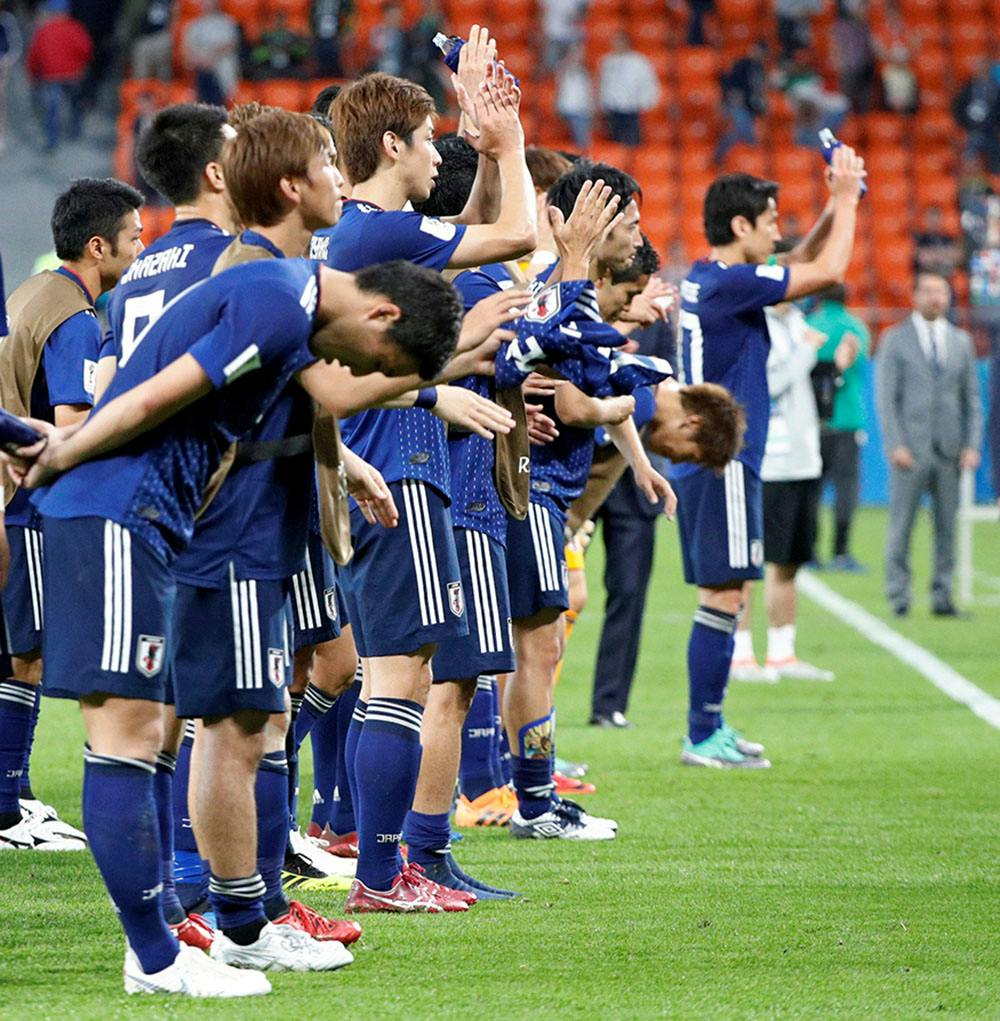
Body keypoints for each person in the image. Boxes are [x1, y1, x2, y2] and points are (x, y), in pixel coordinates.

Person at [7, 249, 468, 996]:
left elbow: (259, 413)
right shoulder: (279, 299)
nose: (360, 371)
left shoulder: (291, 309)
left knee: (157, 730)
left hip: (153, 521)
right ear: (381, 314)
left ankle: (192, 936)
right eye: (378, 359)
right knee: (130, 736)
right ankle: (157, 956)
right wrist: (65, 454)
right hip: (118, 510)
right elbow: (153, 398)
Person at [312, 45, 537, 910]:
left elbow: (471, 232)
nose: (438, 154)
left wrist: (487, 151)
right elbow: (515, 236)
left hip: (396, 460)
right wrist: (510, 143)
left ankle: (384, 862)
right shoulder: (374, 229)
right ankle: (379, 873)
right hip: (395, 469)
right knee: (397, 679)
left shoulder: (377, 232)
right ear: (390, 147)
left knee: (393, 676)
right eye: (428, 138)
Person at [673, 147, 865, 768]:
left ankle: (710, 727)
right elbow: (828, 270)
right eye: (770, 221)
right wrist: (846, 198)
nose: (778, 231)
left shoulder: (715, 277)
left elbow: (801, 260)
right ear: (740, 226)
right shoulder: (732, 285)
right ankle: (703, 733)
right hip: (724, 457)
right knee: (723, 597)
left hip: (709, 456)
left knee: (723, 593)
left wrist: (831, 210)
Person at [0, 178, 144, 853]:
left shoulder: (31, 292)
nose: (140, 249)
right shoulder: (77, 320)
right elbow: (70, 425)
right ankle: (8, 810)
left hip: (11, 497)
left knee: (15, 652)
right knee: (25, 656)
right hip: (24, 502)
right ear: (98, 246)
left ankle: (17, 796)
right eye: (134, 237)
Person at [875, 272, 983, 617]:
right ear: (915, 296)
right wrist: (895, 443)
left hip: (949, 450)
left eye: (941, 292)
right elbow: (887, 399)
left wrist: (972, 444)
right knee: (902, 525)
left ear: (949, 297)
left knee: (947, 529)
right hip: (910, 450)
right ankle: (899, 595)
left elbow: (972, 400)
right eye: (929, 291)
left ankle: (942, 595)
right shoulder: (895, 339)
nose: (936, 298)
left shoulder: (961, 341)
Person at [807, 283, 869, 572]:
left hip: (812, 420)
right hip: (847, 419)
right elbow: (858, 364)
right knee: (846, 489)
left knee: (812, 488)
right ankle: (841, 552)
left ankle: (810, 550)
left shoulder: (809, 325)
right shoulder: (855, 328)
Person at [26, 0, 92, 151]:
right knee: (75, 104)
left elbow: (35, 55)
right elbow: (86, 49)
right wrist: (81, 65)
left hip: (50, 76)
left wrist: (33, 75)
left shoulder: (44, 30)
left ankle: (52, 141)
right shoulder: (75, 28)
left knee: (52, 109)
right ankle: (75, 132)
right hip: (73, 74)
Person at [598, 31, 660, 148]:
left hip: (632, 107)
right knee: (614, 141)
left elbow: (648, 82)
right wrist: (603, 103)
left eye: (619, 42)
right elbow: (603, 83)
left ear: (626, 43)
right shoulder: (607, 61)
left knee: (632, 140)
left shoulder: (639, 61)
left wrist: (645, 101)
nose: (616, 45)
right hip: (612, 107)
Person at [714, 42, 768, 165]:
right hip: (736, 103)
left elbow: (757, 89)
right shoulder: (742, 64)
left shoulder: (759, 68)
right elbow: (729, 82)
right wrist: (732, 97)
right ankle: (720, 157)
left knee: (745, 134)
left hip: (749, 106)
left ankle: (749, 162)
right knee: (742, 131)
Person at [182, 0, 240, 106]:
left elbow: (231, 44)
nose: (208, 4)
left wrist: (211, 57)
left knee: (220, 72)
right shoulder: (193, 26)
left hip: (221, 66)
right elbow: (188, 53)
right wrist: (202, 61)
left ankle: (220, 105)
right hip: (200, 69)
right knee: (203, 76)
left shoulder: (227, 22)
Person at [952, 59, 1000, 174]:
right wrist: (964, 124)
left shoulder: (996, 89)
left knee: (995, 157)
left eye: (985, 70)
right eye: (980, 69)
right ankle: (969, 179)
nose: (982, 72)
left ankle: (995, 177)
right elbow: (957, 107)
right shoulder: (968, 88)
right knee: (968, 156)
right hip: (971, 131)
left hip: (990, 131)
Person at [248, 11, 310, 78]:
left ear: (285, 20)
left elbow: (300, 47)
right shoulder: (268, 34)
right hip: (271, 57)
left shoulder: (291, 34)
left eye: (281, 19)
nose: (279, 22)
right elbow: (259, 48)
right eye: (277, 20)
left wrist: (288, 48)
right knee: (258, 55)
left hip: (289, 58)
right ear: (274, 21)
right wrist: (272, 48)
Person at [556, 42, 593, 152]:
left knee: (581, 140)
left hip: (581, 110)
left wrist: (591, 108)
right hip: (567, 108)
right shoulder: (563, 70)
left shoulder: (585, 73)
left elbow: (588, 92)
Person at [913, 205, 963, 281]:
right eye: (932, 220)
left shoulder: (947, 238)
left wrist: (932, 254)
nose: (934, 223)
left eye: (936, 219)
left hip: (946, 276)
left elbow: (957, 256)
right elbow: (922, 258)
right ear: (926, 221)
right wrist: (944, 254)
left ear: (941, 220)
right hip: (926, 276)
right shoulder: (920, 239)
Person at [0, 1, 23, 153]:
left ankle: (0, 136)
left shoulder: (7, 20)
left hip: (2, 64)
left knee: (1, 102)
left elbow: (16, 44)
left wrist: (8, 60)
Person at [131, 0, 174, 81]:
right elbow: (134, 19)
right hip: (144, 37)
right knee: (141, 71)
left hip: (165, 34)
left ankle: (163, 86)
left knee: (163, 48)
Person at [312, 0, 353, 77]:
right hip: (319, 37)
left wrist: (344, 34)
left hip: (336, 38)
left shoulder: (343, 2)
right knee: (319, 67)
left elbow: (347, 16)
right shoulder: (316, 2)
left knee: (337, 66)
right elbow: (312, 16)